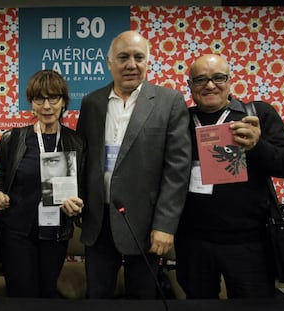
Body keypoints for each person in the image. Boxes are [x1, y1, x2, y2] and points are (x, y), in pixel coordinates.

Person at [175, 54, 284, 299]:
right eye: (200, 79)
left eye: (218, 78)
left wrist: (257, 146)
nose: (210, 85)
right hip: (193, 242)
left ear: (230, 81)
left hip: (249, 244)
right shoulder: (180, 120)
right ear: (190, 86)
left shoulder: (256, 114)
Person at [76, 30, 191, 299]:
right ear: (109, 62)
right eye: (123, 57)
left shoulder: (169, 102)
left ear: (148, 61)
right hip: (98, 222)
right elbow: (83, 159)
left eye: (139, 57)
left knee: (143, 299)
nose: (131, 64)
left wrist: (164, 225)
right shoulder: (92, 102)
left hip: (145, 224)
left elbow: (177, 170)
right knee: (97, 297)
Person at [0, 69, 85, 298]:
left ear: (63, 102)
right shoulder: (13, 139)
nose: (47, 105)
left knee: (47, 292)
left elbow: (84, 186)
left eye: (54, 97)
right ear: (31, 103)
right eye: (39, 98)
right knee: (21, 294)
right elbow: (1, 177)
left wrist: (79, 204)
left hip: (55, 234)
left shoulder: (76, 142)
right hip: (16, 233)